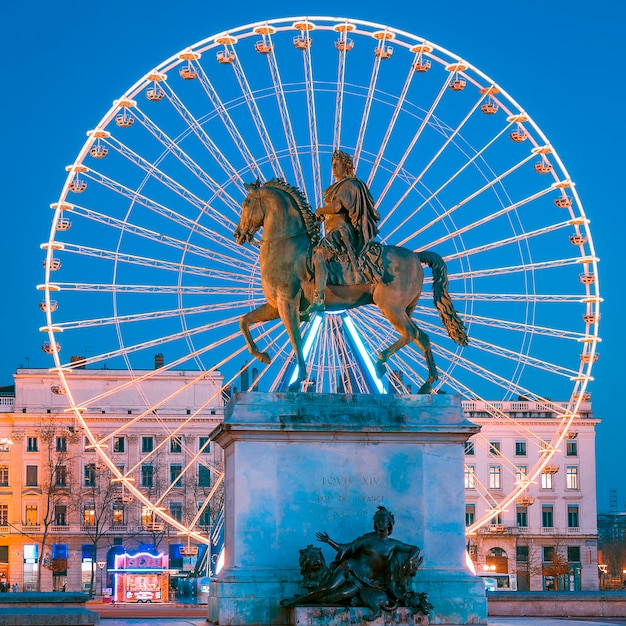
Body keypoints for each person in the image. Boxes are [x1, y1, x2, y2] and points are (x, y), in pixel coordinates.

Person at [281, 506, 422, 617]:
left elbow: (415, 549)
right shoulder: (367, 538)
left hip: (364, 581)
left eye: (383, 521)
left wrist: (410, 559)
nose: (379, 523)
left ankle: (310, 598)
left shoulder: (393, 544)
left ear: (389, 524)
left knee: (338, 595)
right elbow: (346, 548)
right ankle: (296, 601)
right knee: (329, 587)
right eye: (377, 521)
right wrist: (329, 541)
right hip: (350, 568)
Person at [306, 150, 381, 314]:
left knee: (318, 255)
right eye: (331, 165)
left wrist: (320, 211)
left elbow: (337, 207)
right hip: (335, 231)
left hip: (342, 232)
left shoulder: (349, 185)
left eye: (336, 164)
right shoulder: (340, 186)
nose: (333, 168)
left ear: (346, 166)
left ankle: (318, 298)